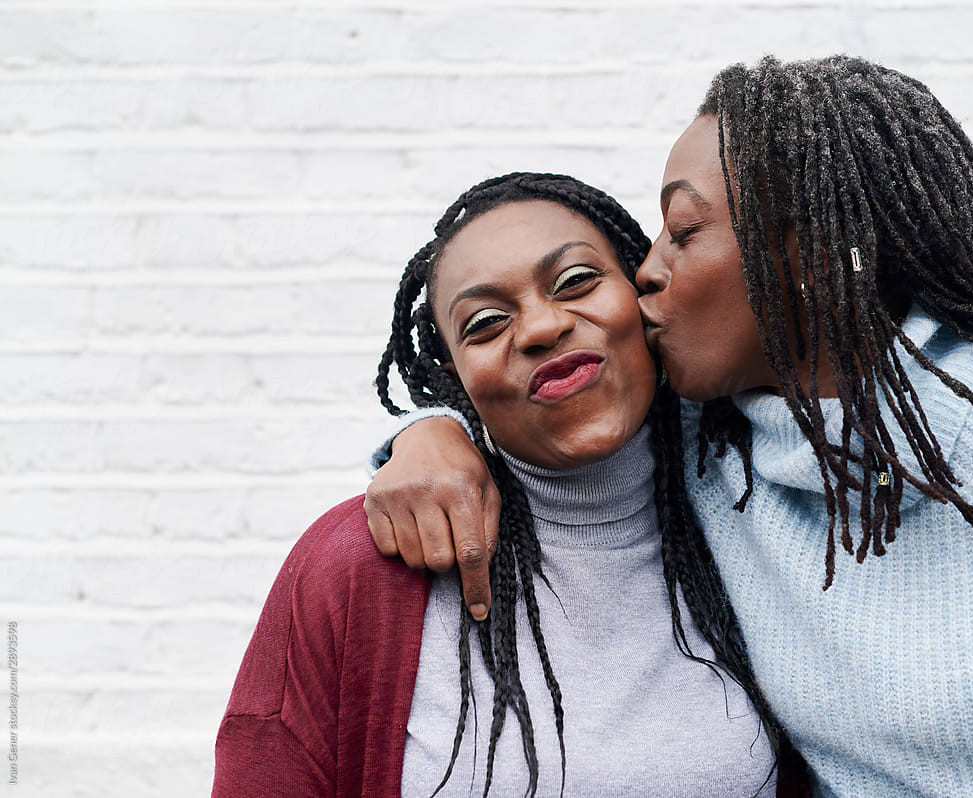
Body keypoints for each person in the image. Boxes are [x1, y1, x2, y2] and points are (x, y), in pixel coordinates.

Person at [364, 56, 973, 796]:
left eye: (683, 232)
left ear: (803, 252)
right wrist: (431, 430)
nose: (648, 270)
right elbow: (548, 408)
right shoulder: (715, 448)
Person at [212, 172, 804, 797]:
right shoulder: (362, 564)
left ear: (641, 292)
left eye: (576, 282)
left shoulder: (764, 512)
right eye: (486, 323)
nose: (542, 328)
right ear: (454, 379)